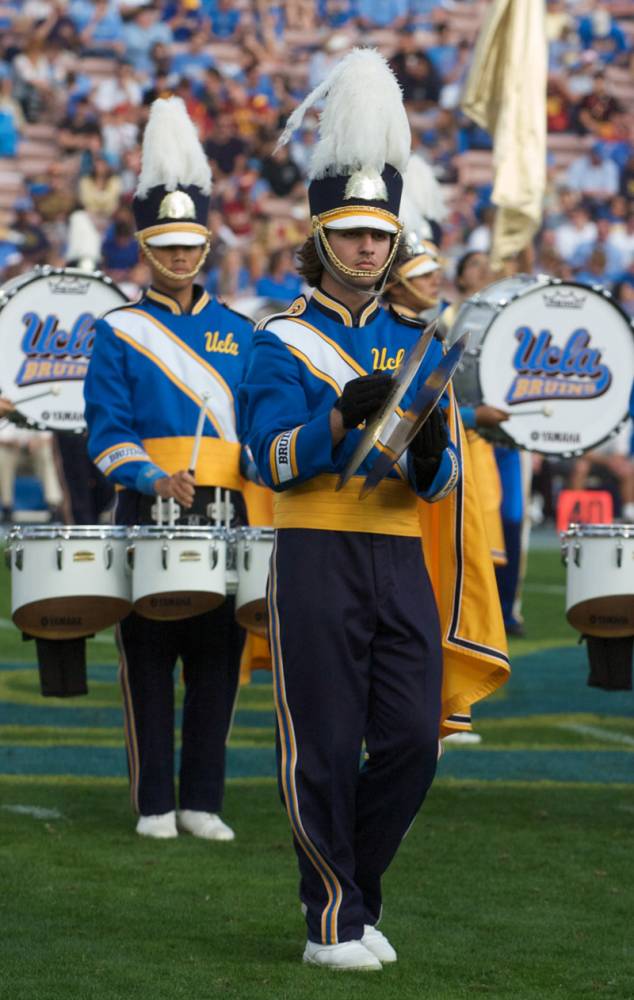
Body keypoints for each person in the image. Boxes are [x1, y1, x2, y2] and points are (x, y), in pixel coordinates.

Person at [240, 50, 508, 972]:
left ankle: (358, 891)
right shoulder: (279, 339)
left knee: (408, 741)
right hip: (315, 550)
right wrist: (336, 416)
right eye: (350, 234)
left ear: (397, 241)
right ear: (320, 237)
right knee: (321, 742)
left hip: (400, 558)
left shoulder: (418, 343)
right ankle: (330, 921)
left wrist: (432, 454)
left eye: (379, 235)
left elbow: (438, 483)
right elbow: (264, 453)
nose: (367, 248)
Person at [84, 97, 254, 842]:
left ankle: (203, 800)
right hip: (148, 507)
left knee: (218, 655)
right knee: (149, 657)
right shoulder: (118, 330)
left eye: (191, 245)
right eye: (167, 245)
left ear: (206, 245)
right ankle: (155, 800)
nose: (181, 257)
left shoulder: (243, 331)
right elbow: (107, 429)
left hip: (227, 506)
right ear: (146, 247)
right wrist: (154, 479)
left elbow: (261, 427)